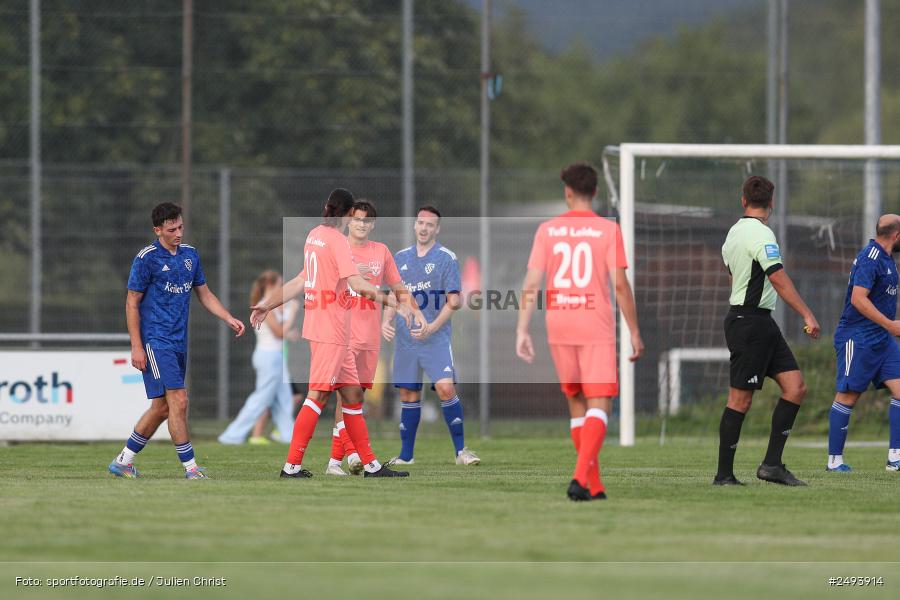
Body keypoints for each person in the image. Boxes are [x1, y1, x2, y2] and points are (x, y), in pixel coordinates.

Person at [250, 188, 420, 479]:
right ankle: (291, 467)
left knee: (353, 397)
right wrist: (392, 300)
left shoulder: (314, 235)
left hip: (330, 329)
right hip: (331, 330)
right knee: (317, 396)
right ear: (348, 213)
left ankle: (371, 466)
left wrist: (267, 303)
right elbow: (358, 283)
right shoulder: (338, 241)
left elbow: (300, 280)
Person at [516, 162, 643, 501]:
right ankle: (577, 479)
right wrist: (634, 330)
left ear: (567, 192)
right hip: (594, 324)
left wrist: (522, 330)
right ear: (596, 192)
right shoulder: (607, 230)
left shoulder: (547, 230)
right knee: (600, 405)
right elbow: (619, 284)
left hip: (558, 323)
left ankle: (594, 485)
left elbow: (531, 283)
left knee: (577, 404)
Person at [109, 202, 245, 479]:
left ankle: (123, 461)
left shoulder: (190, 256)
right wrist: (136, 345)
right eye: (172, 229)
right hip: (155, 340)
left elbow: (204, 293)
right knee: (180, 400)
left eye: (181, 227)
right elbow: (132, 303)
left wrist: (228, 317)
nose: (178, 233)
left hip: (179, 341)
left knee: (161, 408)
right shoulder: (147, 258)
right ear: (158, 230)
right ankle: (191, 468)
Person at [715, 175, 820, 487]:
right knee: (740, 399)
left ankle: (772, 465)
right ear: (771, 203)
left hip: (759, 323)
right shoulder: (762, 235)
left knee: (795, 387)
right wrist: (807, 313)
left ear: (743, 200)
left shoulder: (733, 233)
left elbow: (734, 274)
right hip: (749, 324)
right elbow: (777, 277)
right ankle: (723, 476)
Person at [323, 199, 418, 476]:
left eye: (366, 220)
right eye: (356, 219)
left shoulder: (381, 252)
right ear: (349, 221)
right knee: (345, 398)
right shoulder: (337, 247)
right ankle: (349, 456)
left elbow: (398, 286)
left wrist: (412, 310)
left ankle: (335, 462)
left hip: (369, 337)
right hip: (344, 335)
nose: (361, 224)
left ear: (373, 224)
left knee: (357, 400)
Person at [382, 205, 481, 466]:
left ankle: (461, 452)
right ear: (415, 225)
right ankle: (406, 456)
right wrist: (386, 321)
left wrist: (433, 326)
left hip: (435, 339)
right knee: (409, 396)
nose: (424, 228)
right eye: (420, 223)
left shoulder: (446, 257)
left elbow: (454, 300)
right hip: (406, 340)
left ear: (437, 229)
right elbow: (394, 295)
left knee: (446, 389)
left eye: (430, 224)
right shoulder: (400, 258)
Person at [827, 214, 900, 472]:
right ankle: (834, 460)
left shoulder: (887, 259)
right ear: (896, 235)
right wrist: (891, 324)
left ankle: (895, 458)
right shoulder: (871, 258)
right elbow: (859, 299)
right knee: (848, 395)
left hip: (882, 339)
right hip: (857, 337)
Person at [217, 270, 296, 445]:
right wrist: (292, 314)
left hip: (276, 356)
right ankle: (232, 435)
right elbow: (279, 333)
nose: (282, 288)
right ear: (270, 285)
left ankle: (289, 436)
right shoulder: (263, 304)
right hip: (268, 357)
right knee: (260, 399)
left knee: (284, 399)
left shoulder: (272, 305)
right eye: (279, 285)